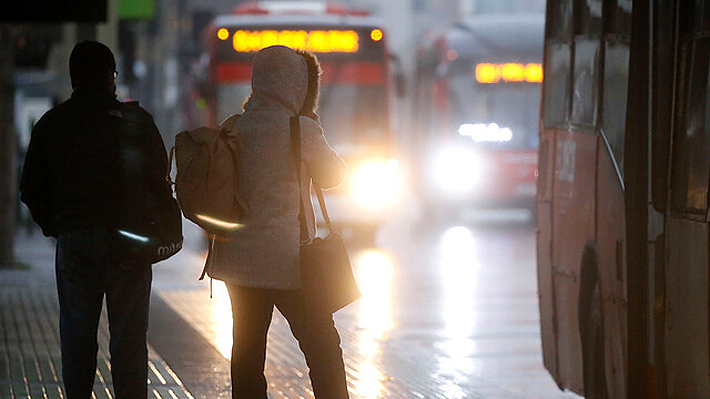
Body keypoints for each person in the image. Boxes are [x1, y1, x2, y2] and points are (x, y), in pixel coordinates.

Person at [19, 40, 168, 399]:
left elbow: (30, 187)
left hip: (76, 242)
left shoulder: (53, 123)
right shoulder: (137, 122)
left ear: (74, 78)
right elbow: (159, 179)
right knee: (130, 340)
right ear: (110, 78)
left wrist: (57, 227)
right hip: (129, 246)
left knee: (77, 337)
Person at [205, 45, 349, 399]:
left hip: (239, 262)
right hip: (290, 263)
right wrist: (314, 129)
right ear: (297, 84)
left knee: (247, 351)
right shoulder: (300, 128)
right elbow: (334, 176)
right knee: (322, 347)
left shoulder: (233, 127)